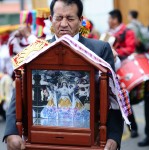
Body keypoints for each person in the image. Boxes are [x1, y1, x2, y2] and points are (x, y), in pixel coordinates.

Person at [4, 1, 124, 150]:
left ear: (80, 20)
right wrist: (11, 132)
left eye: (70, 18)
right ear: (50, 19)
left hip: (88, 138)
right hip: (42, 137)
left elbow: (112, 94)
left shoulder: (100, 49)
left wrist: (113, 136)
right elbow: (19, 89)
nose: (64, 24)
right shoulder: (36, 50)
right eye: (59, 18)